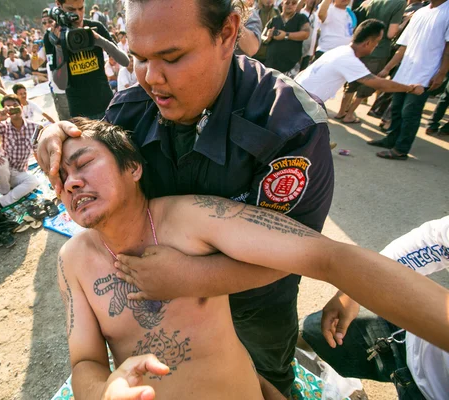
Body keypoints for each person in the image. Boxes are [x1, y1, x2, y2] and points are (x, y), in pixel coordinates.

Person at [37, 0, 335, 395]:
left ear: (228, 32)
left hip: (256, 302)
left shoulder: (290, 125)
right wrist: (60, 134)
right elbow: (99, 163)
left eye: (171, 57)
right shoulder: (129, 110)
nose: (150, 78)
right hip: (171, 309)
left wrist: (192, 277)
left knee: (268, 375)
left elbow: (304, 251)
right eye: (138, 57)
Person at [56, 118, 449, 400]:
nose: (70, 182)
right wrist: (104, 391)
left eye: (84, 163)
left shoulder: (189, 217)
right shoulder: (72, 260)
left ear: (134, 167)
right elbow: (85, 361)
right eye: (59, 177)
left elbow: (328, 257)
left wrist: (193, 275)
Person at [301, 216, 449, 400]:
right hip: (409, 334)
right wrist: (356, 289)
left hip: (430, 393)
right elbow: (436, 241)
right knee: (310, 331)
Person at [367, 0, 449, 160]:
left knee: (410, 112)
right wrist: (387, 68)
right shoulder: (421, 12)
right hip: (405, 71)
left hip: (425, 74)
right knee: (396, 108)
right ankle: (391, 139)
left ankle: (401, 149)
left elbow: (448, 48)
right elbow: (403, 46)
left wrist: (441, 73)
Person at [296, 20, 424, 103]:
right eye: (377, 43)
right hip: (302, 103)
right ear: (368, 43)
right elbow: (379, 84)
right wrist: (410, 88)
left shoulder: (341, 50)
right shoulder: (348, 59)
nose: (376, 47)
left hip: (300, 98)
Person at [42, 2, 130, 119]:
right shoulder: (51, 37)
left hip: (106, 104)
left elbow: (125, 61)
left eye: (81, 8)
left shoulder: (96, 26)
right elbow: (61, 84)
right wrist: (59, 47)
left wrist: (100, 40)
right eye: (71, 9)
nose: (78, 14)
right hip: (80, 113)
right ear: (59, 5)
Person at [334, 0, 407, 124]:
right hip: (378, 50)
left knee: (351, 82)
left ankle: (341, 112)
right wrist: (404, 22)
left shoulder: (372, 1)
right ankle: (349, 114)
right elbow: (391, 33)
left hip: (359, 46)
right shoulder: (399, 3)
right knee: (367, 85)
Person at [0, 95, 40, 208]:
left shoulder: (34, 127)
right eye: (9, 107)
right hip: (1, 169)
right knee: (1, 163)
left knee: (33, 181)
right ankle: (5, 190)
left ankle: (1, 202)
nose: (13, 109)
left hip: (18, 171)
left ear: (21, 106)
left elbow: (37, 150)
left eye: (15, 105)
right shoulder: (3, 126)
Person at [35, 15, 71, 121]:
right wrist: (33, 54)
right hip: (58, 87)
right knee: (66, 118)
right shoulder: (46, 41)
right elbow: (35, 65)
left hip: (72, 84)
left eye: (50, 21)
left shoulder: (67, 35)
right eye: (44, 23)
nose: (47, 25)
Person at [261, 0, 310, 76]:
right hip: (271, 66)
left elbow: (306, 34)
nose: (290, 5)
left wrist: (285, 35)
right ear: (282, 3)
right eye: (287, 2)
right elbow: (262, 36)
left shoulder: (301, 18)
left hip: (291, 67)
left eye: (293, 3)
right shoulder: (274, 19)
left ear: (296, 5)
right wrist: (268, 37)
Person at [299, 0, 321, 71]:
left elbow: (316, 34)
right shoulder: (301, 12)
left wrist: (313, 51)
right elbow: (296, 9)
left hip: (309, 52)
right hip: (299, 51)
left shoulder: (317, 15)